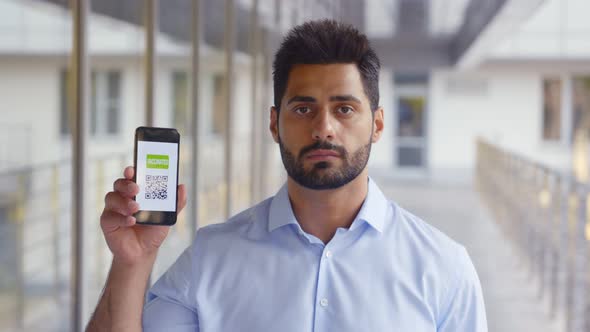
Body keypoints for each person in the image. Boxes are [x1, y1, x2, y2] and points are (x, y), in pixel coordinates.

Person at [87, 19, 487, 331]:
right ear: (275, 124)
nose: (324, 127)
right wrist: (132, 262)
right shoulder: (211, 259)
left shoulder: (443, 268)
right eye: (303, 108)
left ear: (378, 125)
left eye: (344, 108)